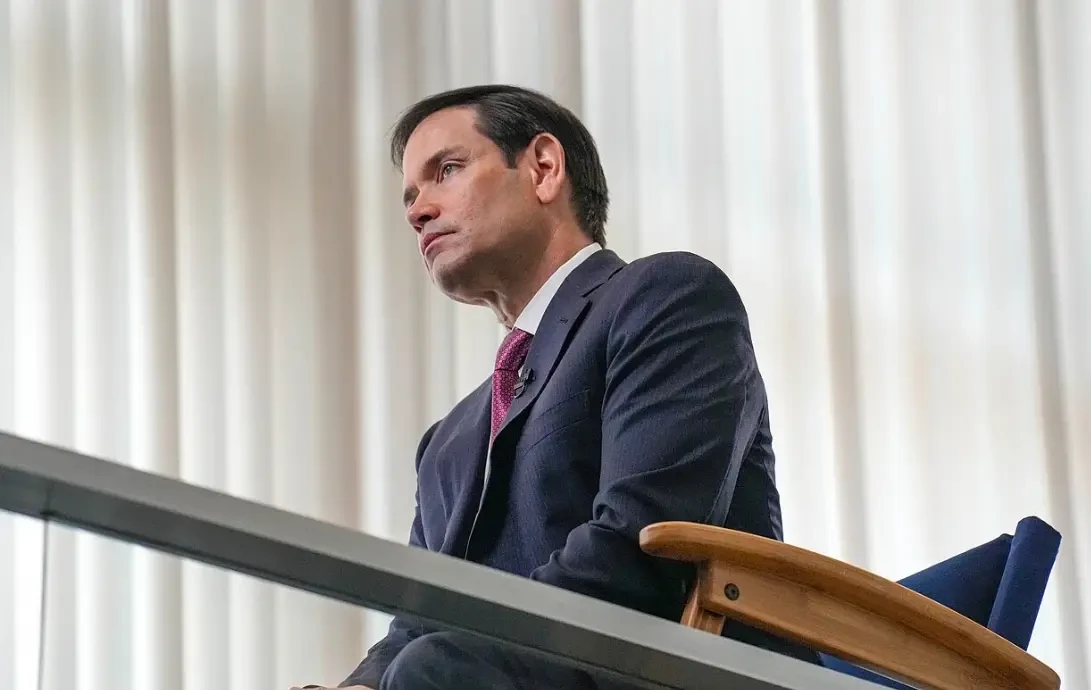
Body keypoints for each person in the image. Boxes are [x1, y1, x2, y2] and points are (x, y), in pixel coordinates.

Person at [297, 84, 817, 690]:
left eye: (447, 170)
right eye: (410, 197)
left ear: (544, 168)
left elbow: (637, 551)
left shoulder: (666, 297)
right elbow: (417, 619)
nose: (418, 211)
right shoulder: (446, 443)